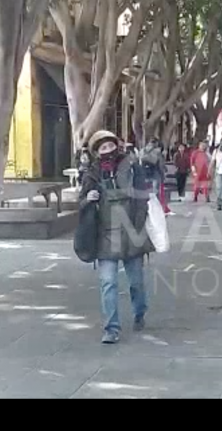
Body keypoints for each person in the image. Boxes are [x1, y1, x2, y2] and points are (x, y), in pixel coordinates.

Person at [79, 130, 152, 344]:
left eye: (110, 146)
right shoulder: (91, 175)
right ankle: (111, 328)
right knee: (108, 283)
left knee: (136, 282)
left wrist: (137, 225)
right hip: (105, 236)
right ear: (96, 152)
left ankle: (140, 311)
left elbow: (142, 198)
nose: (107, 151)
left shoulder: (133, 168)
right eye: (102, 148)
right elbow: (81, 201)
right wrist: (88, 199)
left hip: (132, 235)